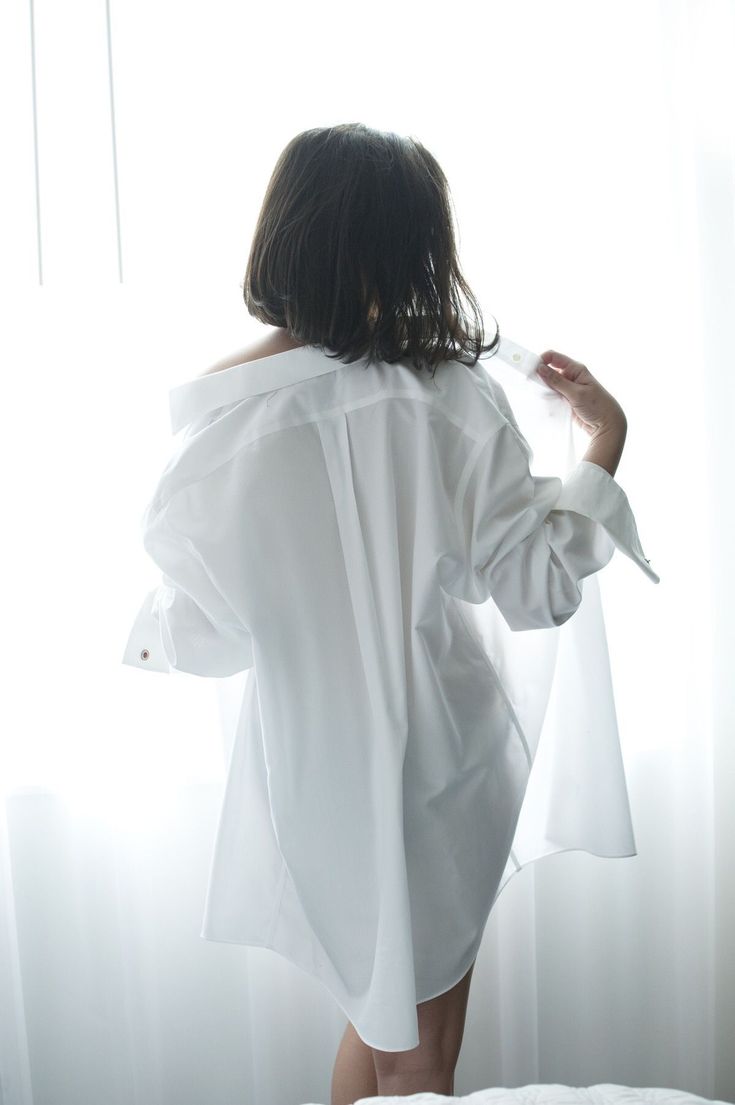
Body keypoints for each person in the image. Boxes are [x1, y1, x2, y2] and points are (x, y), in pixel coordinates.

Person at [121, 123, 657, 1104]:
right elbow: (535, 588)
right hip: (439, 775)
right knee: (418, 1060)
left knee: (379, 1029)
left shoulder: (220, 426)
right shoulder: (447, 401)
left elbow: (201, 637)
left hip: (313, 779)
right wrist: (605, 437)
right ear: (418, 252)